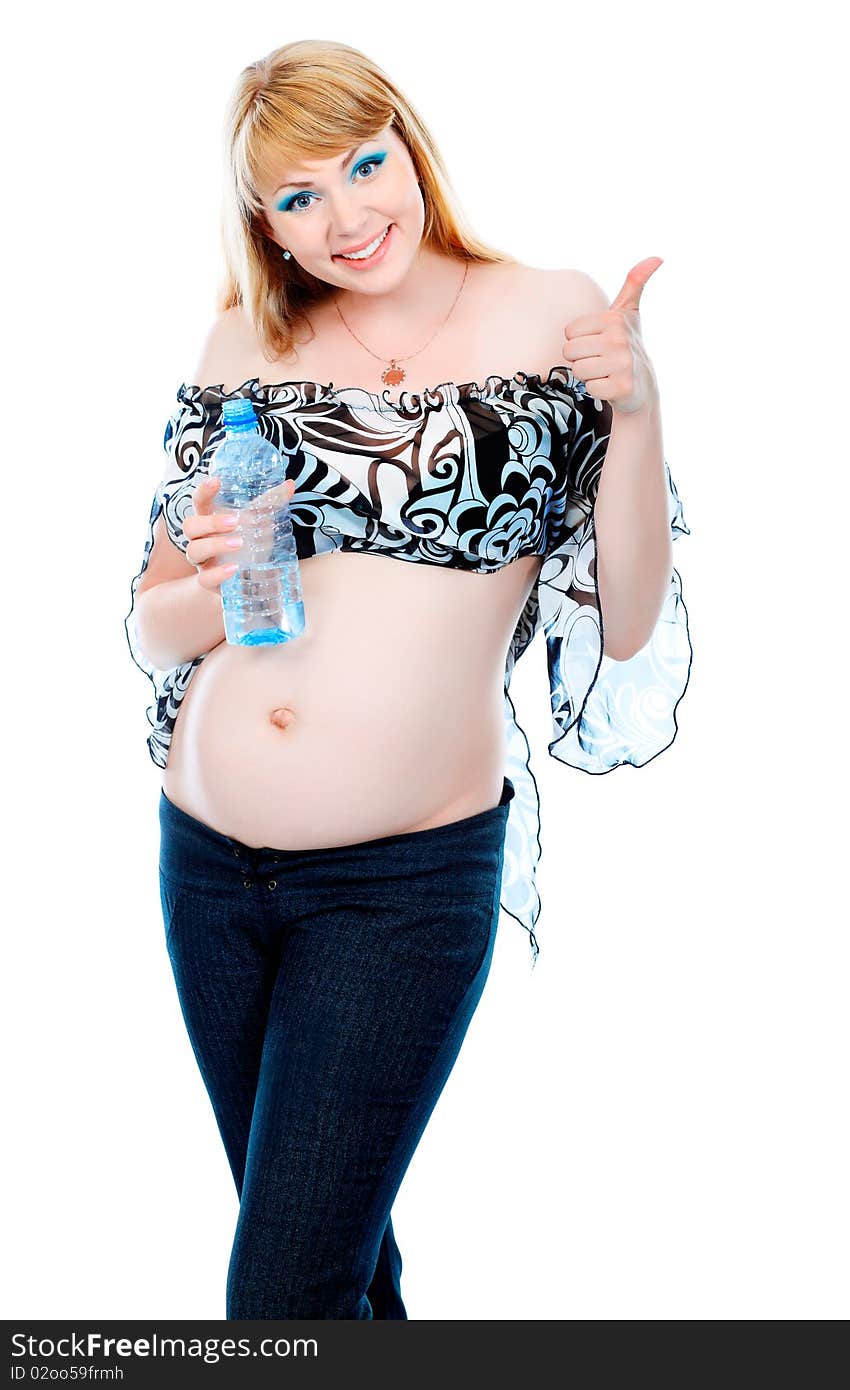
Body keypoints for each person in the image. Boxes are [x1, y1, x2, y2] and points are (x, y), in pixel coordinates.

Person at [123, 38, 692, 1320]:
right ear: (263, 223)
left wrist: (639, 412)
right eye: (299, 198)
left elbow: (628, 615)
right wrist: (220, 584)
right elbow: (154, 626)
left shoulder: (549, 307)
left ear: (407, 144)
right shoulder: (241, 340)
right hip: (207, 867)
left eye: (362, 166)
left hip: (399, 882)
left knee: (281, 1296)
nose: (347, 216)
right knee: (335, 1273)